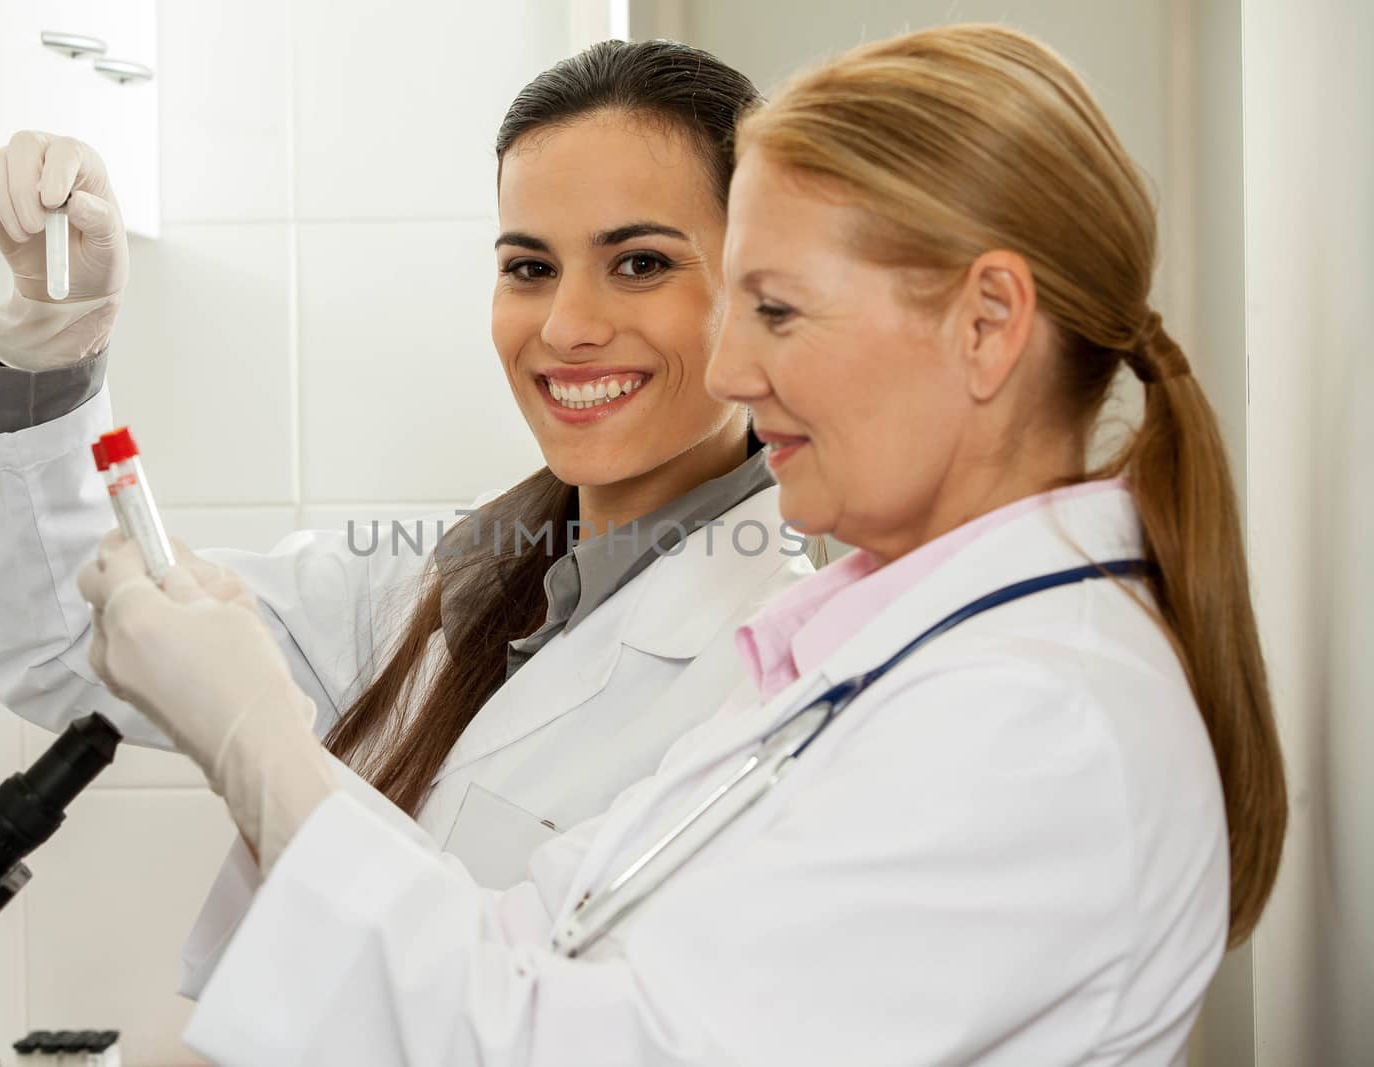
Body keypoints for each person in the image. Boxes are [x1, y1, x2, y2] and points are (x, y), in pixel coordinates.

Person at [76, 23, 1288, 1065]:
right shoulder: (880, 658)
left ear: (984, 325)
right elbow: (529, 942)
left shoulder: (1036, 722)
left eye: (776, 309)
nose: (731, 365)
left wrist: (260, 747)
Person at [0, 40, 811, 994]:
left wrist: (259, 736)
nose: (567, 325)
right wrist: (46, 344)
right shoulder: (423, 585)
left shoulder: (774, 676)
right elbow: (60, 639)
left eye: (640, 262)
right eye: (529, 267)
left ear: (756, 287)